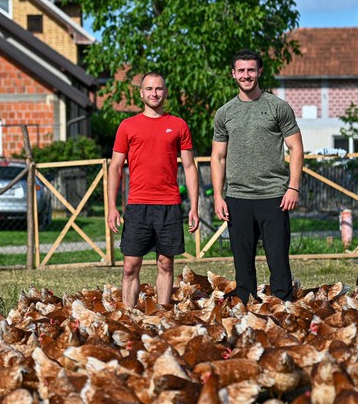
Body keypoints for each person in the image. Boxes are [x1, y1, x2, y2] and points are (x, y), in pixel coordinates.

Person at [210, 49, 304, 302]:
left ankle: (284, 309)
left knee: (278, 261)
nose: (246, 75)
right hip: (237, 197)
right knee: (243, 264)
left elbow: (296, 148)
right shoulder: (225, 113)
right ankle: (246, 310)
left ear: (259, 71)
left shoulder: (278, 107)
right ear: (233, 74)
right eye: (241, 70)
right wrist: (218, 196)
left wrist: (293, 187)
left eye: (251, 70)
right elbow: (218, 157)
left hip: (274, 196)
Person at [108, 72, 199, 308]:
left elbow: (189, 166)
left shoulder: (178, 125)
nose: (154, 93)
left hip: (169, 204)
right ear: (141, 93)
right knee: (130, 266)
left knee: (165, 264)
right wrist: (111, 207)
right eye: (149, 89)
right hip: (137, 205)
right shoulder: (128, 126)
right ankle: (128, 317)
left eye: (159, 89)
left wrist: (194, 207)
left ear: (165, 92)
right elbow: (116, 167)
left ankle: (162, 313)